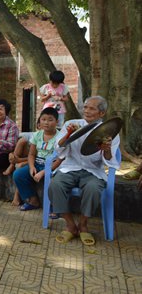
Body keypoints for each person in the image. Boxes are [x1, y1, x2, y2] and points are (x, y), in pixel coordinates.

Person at [49, 96, 120, 246]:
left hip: (93, 170)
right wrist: (68, 134)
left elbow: (109, 160)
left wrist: (106, 150)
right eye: (85, 107)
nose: (86, 111)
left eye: (92, 108)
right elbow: (59, 148)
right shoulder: (71, 124)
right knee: (55, 185)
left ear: (102, 113)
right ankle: (70, 225)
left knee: (93, 188)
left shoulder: (110, 132)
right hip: (70, 167)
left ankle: (83, 225)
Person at [12, 107, 60, 211]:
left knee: (56, 182)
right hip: (37, 163)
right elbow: (32, 154)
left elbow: (59, 160)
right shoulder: (37, 135)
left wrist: (43, 172)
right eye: (43, 119)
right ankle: (33, 201)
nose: (46, 123)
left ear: (57, 121)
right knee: (18, 175)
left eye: (50, 120)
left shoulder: (60, 137)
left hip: (52, 166)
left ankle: (54, 208)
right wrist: (31, 167)